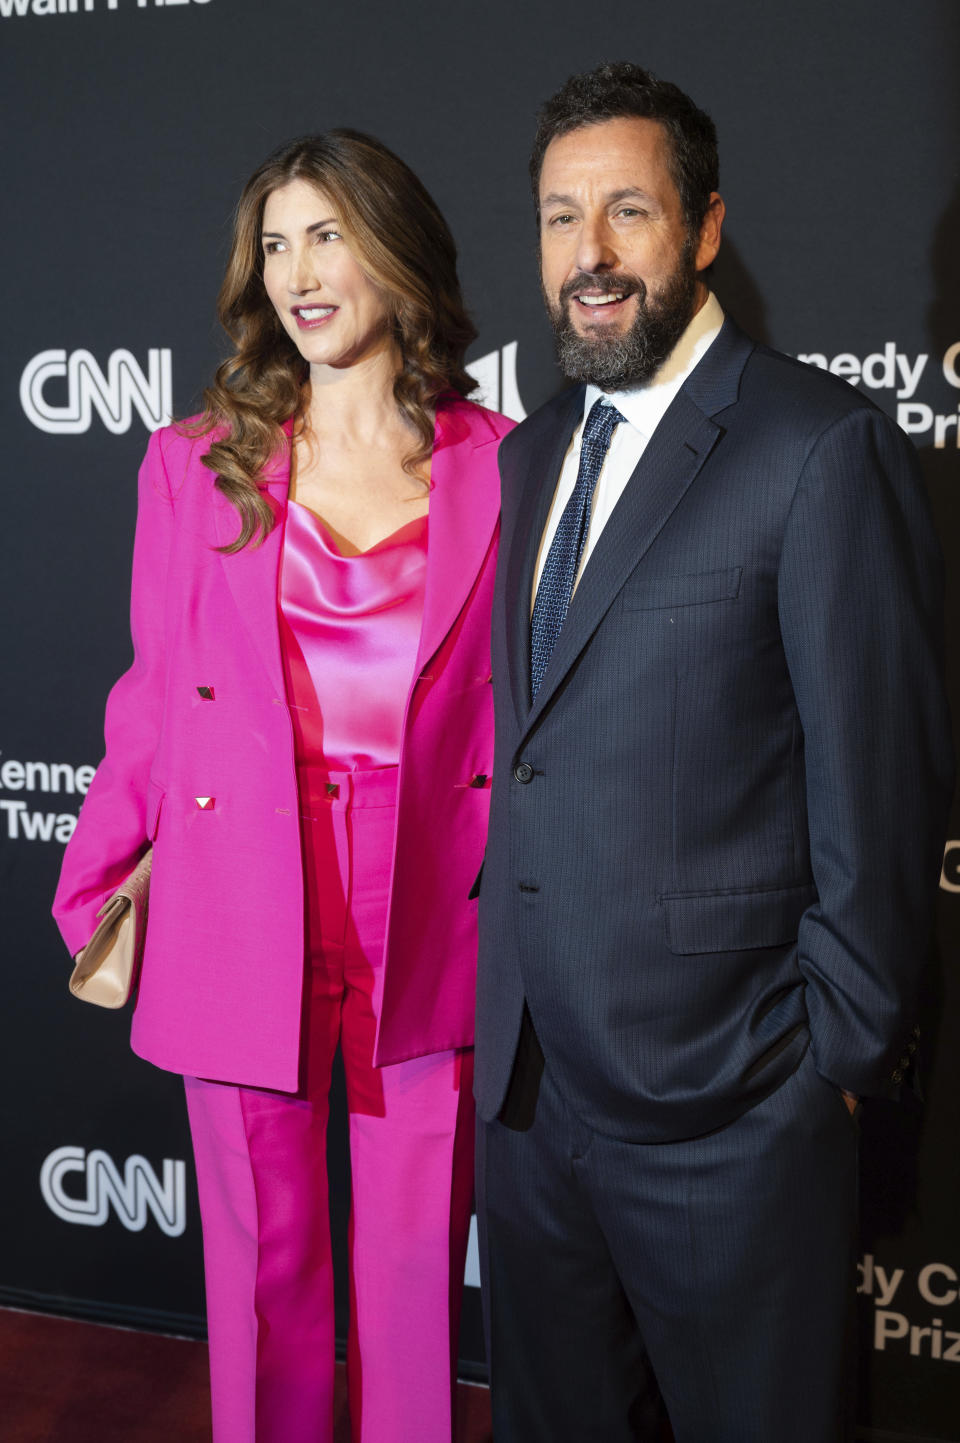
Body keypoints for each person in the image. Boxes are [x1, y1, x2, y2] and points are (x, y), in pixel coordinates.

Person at [474, 62, 952, 1443]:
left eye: (628, 212)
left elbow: (881, 782)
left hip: (733, 1116)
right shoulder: (531, 451)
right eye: (564, 218)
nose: (591, 255)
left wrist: (829, 1063)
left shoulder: (818, 449)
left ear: (705, 227)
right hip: (530, 1098)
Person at [53, 129, 513, 1443]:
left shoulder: (507, 463)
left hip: (433, 907)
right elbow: (154, 690)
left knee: (421, 1271)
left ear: (399, 254)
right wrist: (97, 873)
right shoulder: (193, 464)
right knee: (262, 1273)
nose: (300, 273)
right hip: (245, 893)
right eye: (276, 243)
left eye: (329, 236)